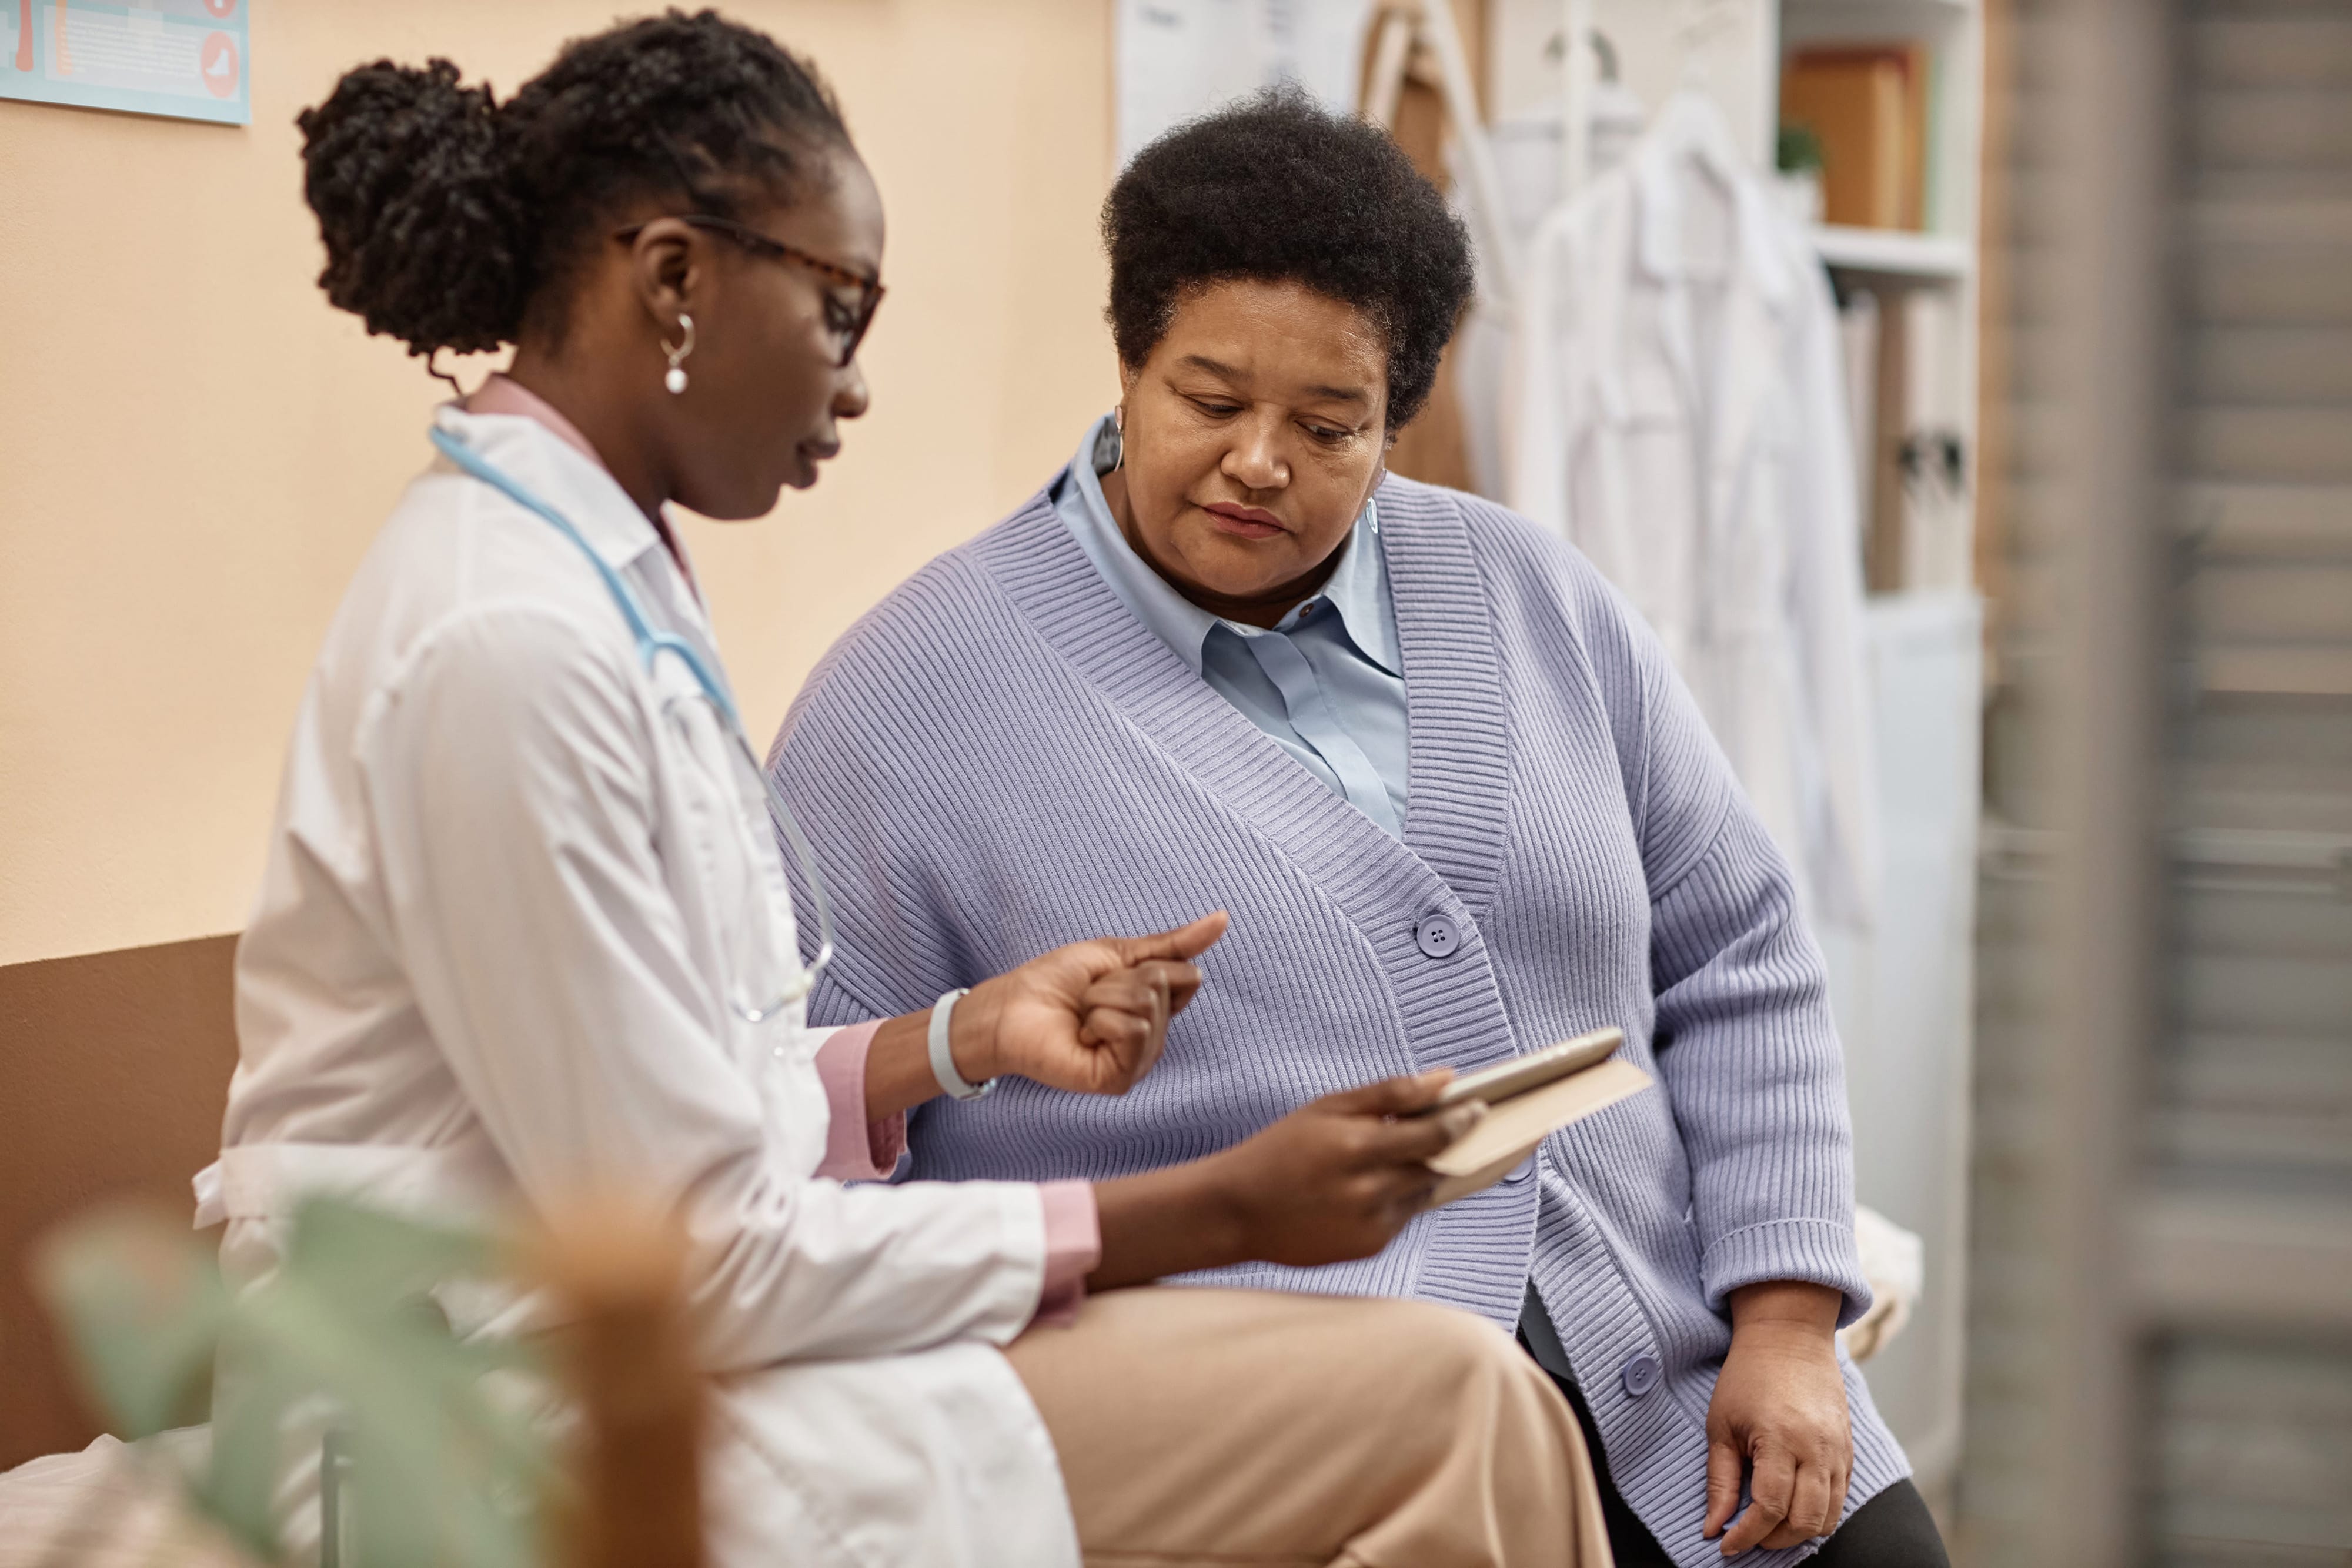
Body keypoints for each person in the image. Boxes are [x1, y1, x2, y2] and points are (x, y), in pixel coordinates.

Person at [201, 18, 1612, 1568]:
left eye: (1331, 426)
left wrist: (959, 1039)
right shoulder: (501, 645)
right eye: (840, 309)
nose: (859, 387)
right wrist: (1219, 1210)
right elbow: (695, 1247)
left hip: (627, 1340)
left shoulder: (585, 591)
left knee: (1456, 1403)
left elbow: (674, 1110)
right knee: (1455, 1404)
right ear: (676, 280)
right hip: (479, 1415)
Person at [770, 92, 1952, 1567]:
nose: (1260, 460)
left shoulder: (1532, 597)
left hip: (1679, 1380)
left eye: (1328, 426)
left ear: (1395, 421)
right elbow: (780, 1128)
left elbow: (1738, 954)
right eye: (1208, 401)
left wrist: (1783, 1318)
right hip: (1314, 1448)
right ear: (1126, 365)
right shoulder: (911, 696)